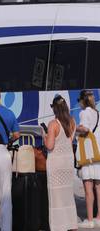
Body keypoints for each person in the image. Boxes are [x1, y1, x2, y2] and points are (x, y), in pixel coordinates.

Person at [44, 95, 78, 231]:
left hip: (56, 162)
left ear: (55, 108)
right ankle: (71, 224)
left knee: (56, 196)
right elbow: (69, 141)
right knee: (68, 194)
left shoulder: (53, 124)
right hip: (68, 161)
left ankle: (59, 226)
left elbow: (50, 146)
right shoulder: (73, 121)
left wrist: (44, 136)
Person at [76, 90, 100, 228]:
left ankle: (89, 220)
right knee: (98, 186)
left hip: (88, 154)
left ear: (82, 101)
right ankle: (98, 217)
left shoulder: (84, 113)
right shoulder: (97, 113)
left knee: (88, 186)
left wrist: (74, 127)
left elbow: (85, 129)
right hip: (97, 152)